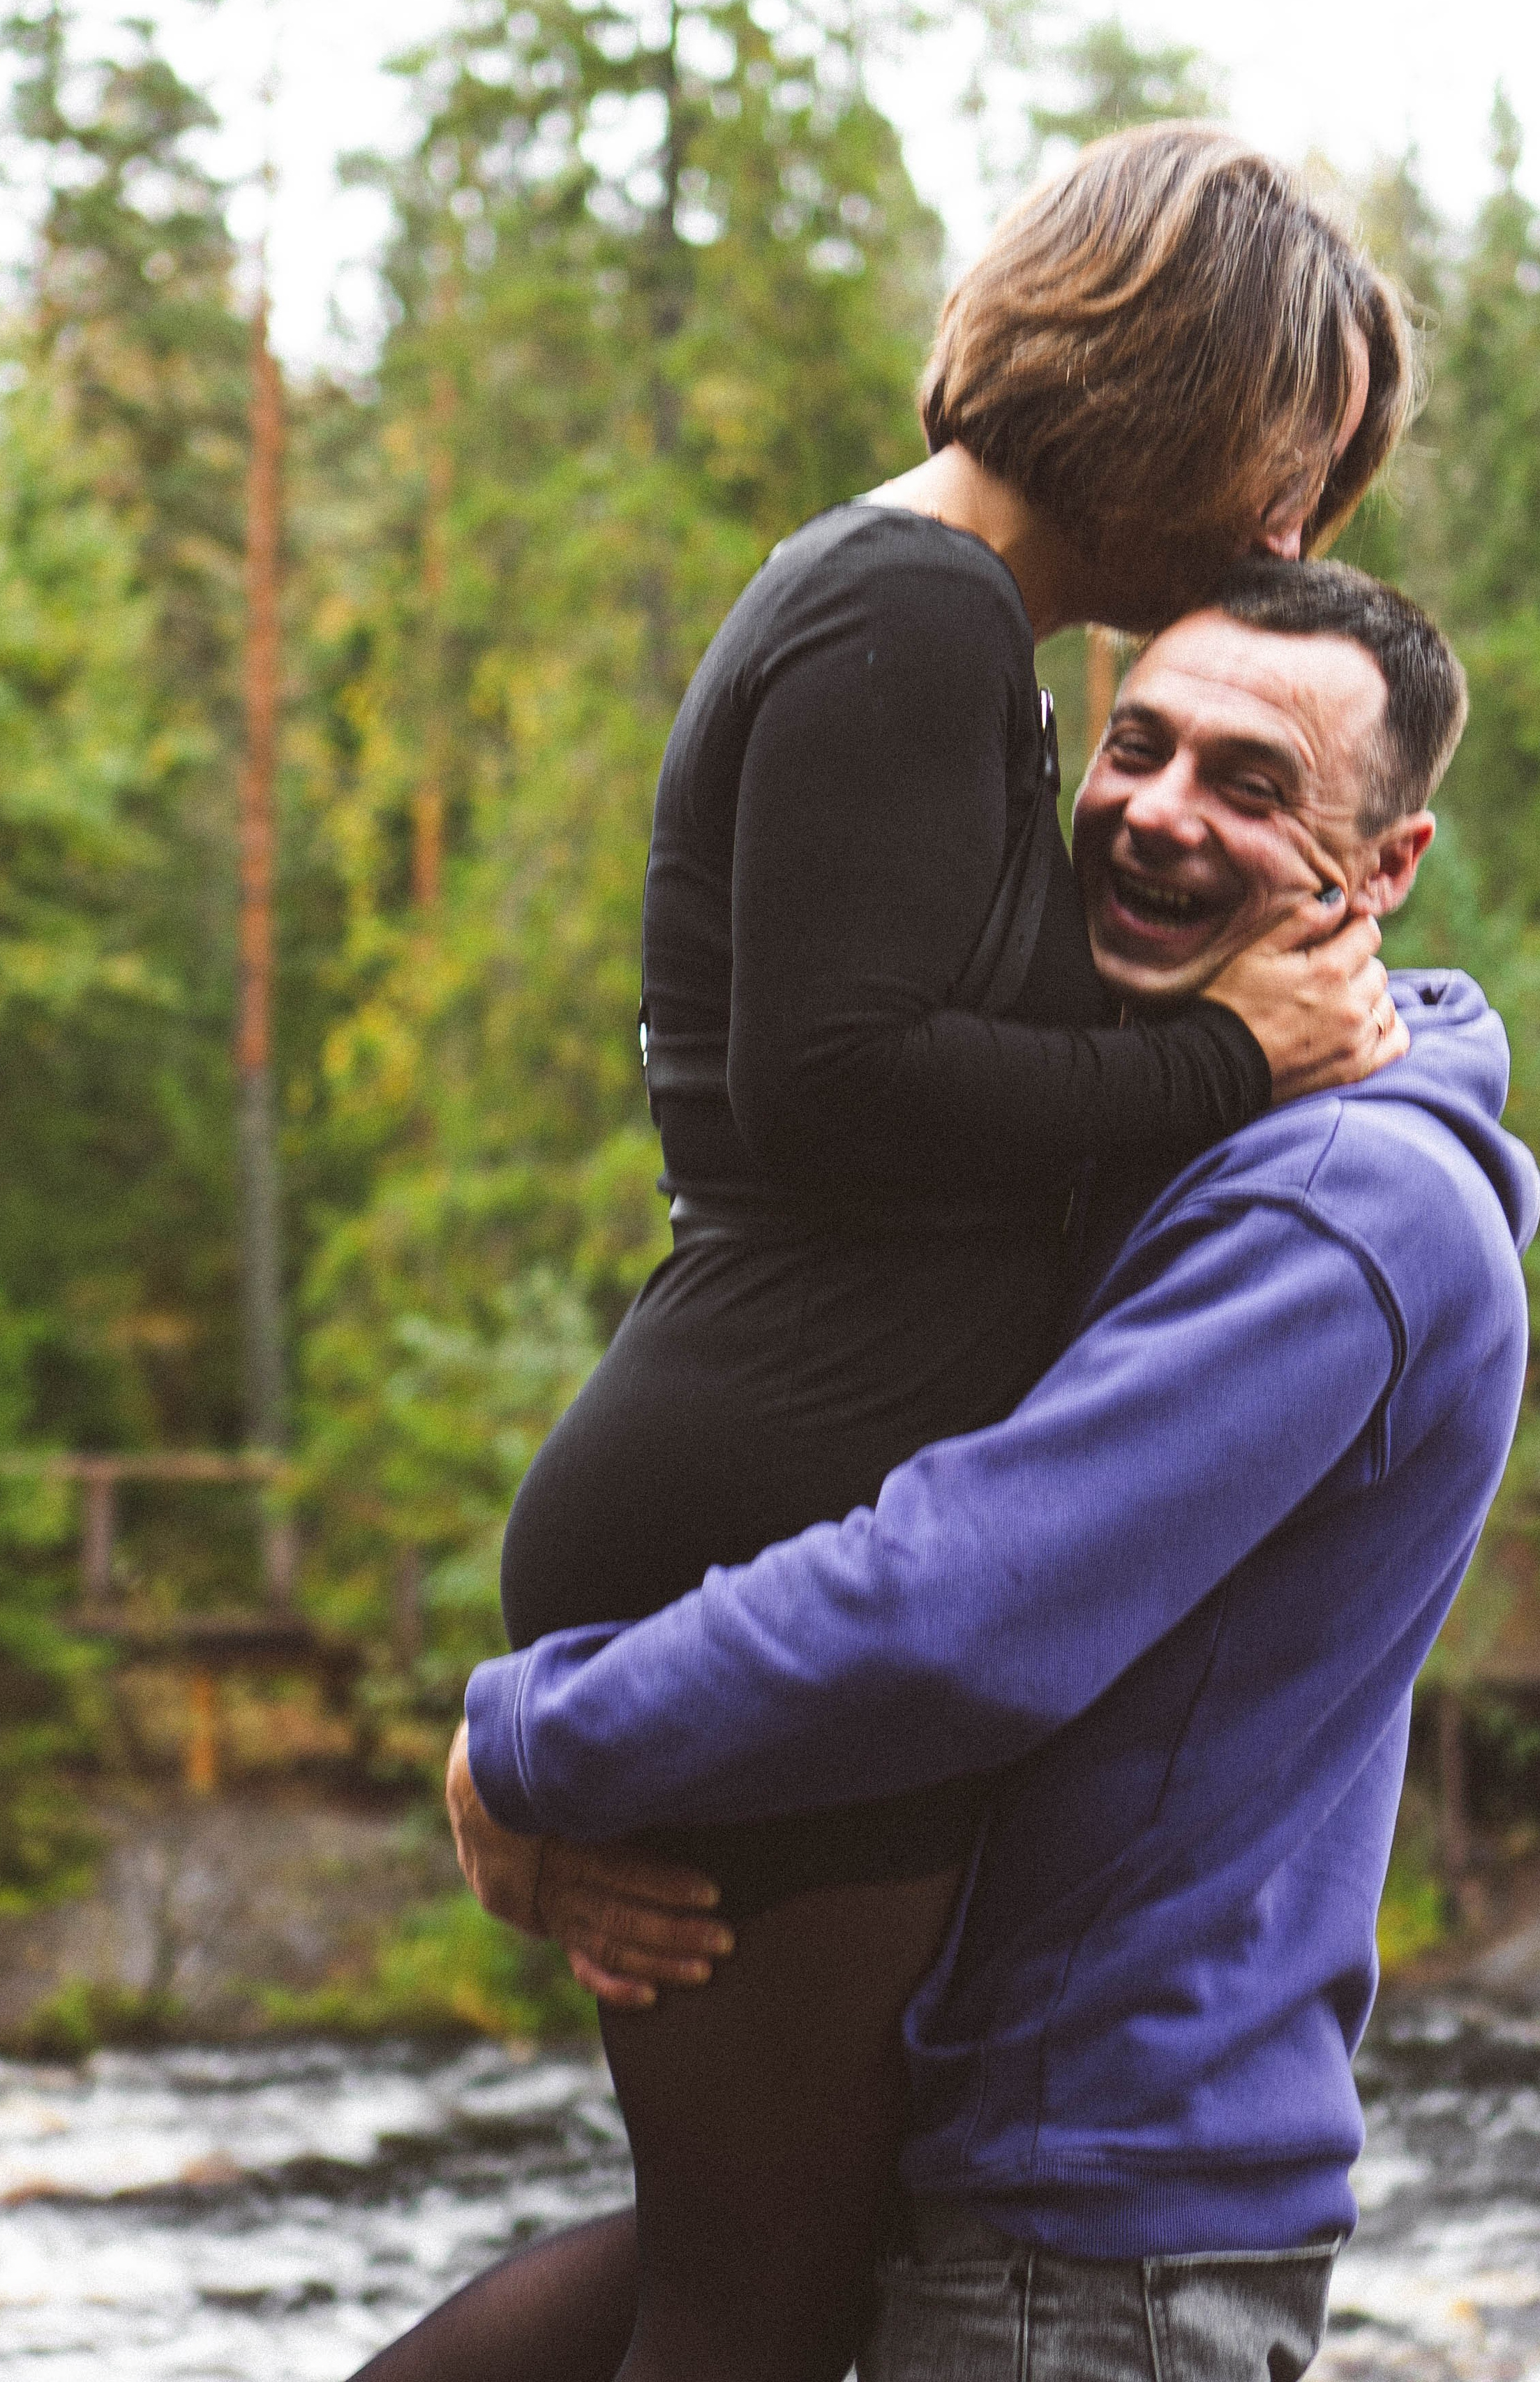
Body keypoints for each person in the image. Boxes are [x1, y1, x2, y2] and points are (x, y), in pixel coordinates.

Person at [348, 128, 1415, 2382]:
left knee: (756, 2268)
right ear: (1174, 386)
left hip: (772, 1503)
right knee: (752, 2307)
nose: (1291, 537)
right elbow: (834, 1084)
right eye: (1287, 465)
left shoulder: (937, 628)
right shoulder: (907, 612)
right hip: (764, 1520)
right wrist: (1232, 1063)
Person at [453, 560, 1540, 2382]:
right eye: (1137, 747)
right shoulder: (1172, 1117)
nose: (1159, 814)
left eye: (1253, 784)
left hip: (1089, 2236)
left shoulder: (1343, 1207)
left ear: (1387, 867)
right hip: (976, 2154)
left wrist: (537, 1741)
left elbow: (959, 1605)